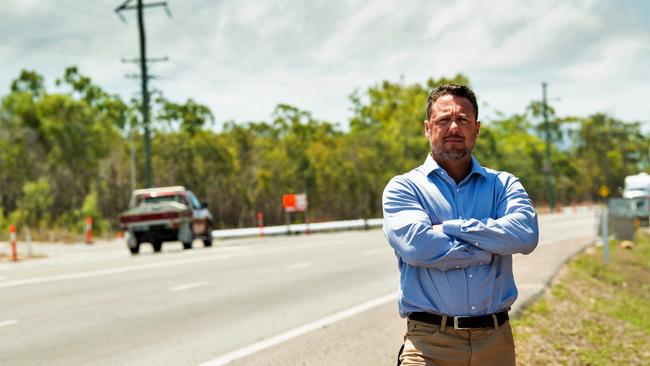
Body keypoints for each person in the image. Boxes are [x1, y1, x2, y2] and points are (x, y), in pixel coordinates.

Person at [382, 84, 539, 366]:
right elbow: (418, 247)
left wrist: (450, 228)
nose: (454, 127)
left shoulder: (503, 185)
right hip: (429, 344)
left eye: (463, 120)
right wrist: (487, 248)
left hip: (496, 343)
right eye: (444, 120)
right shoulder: (404, 188)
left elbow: (525, 234)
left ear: (476, 129)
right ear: (428, 128)